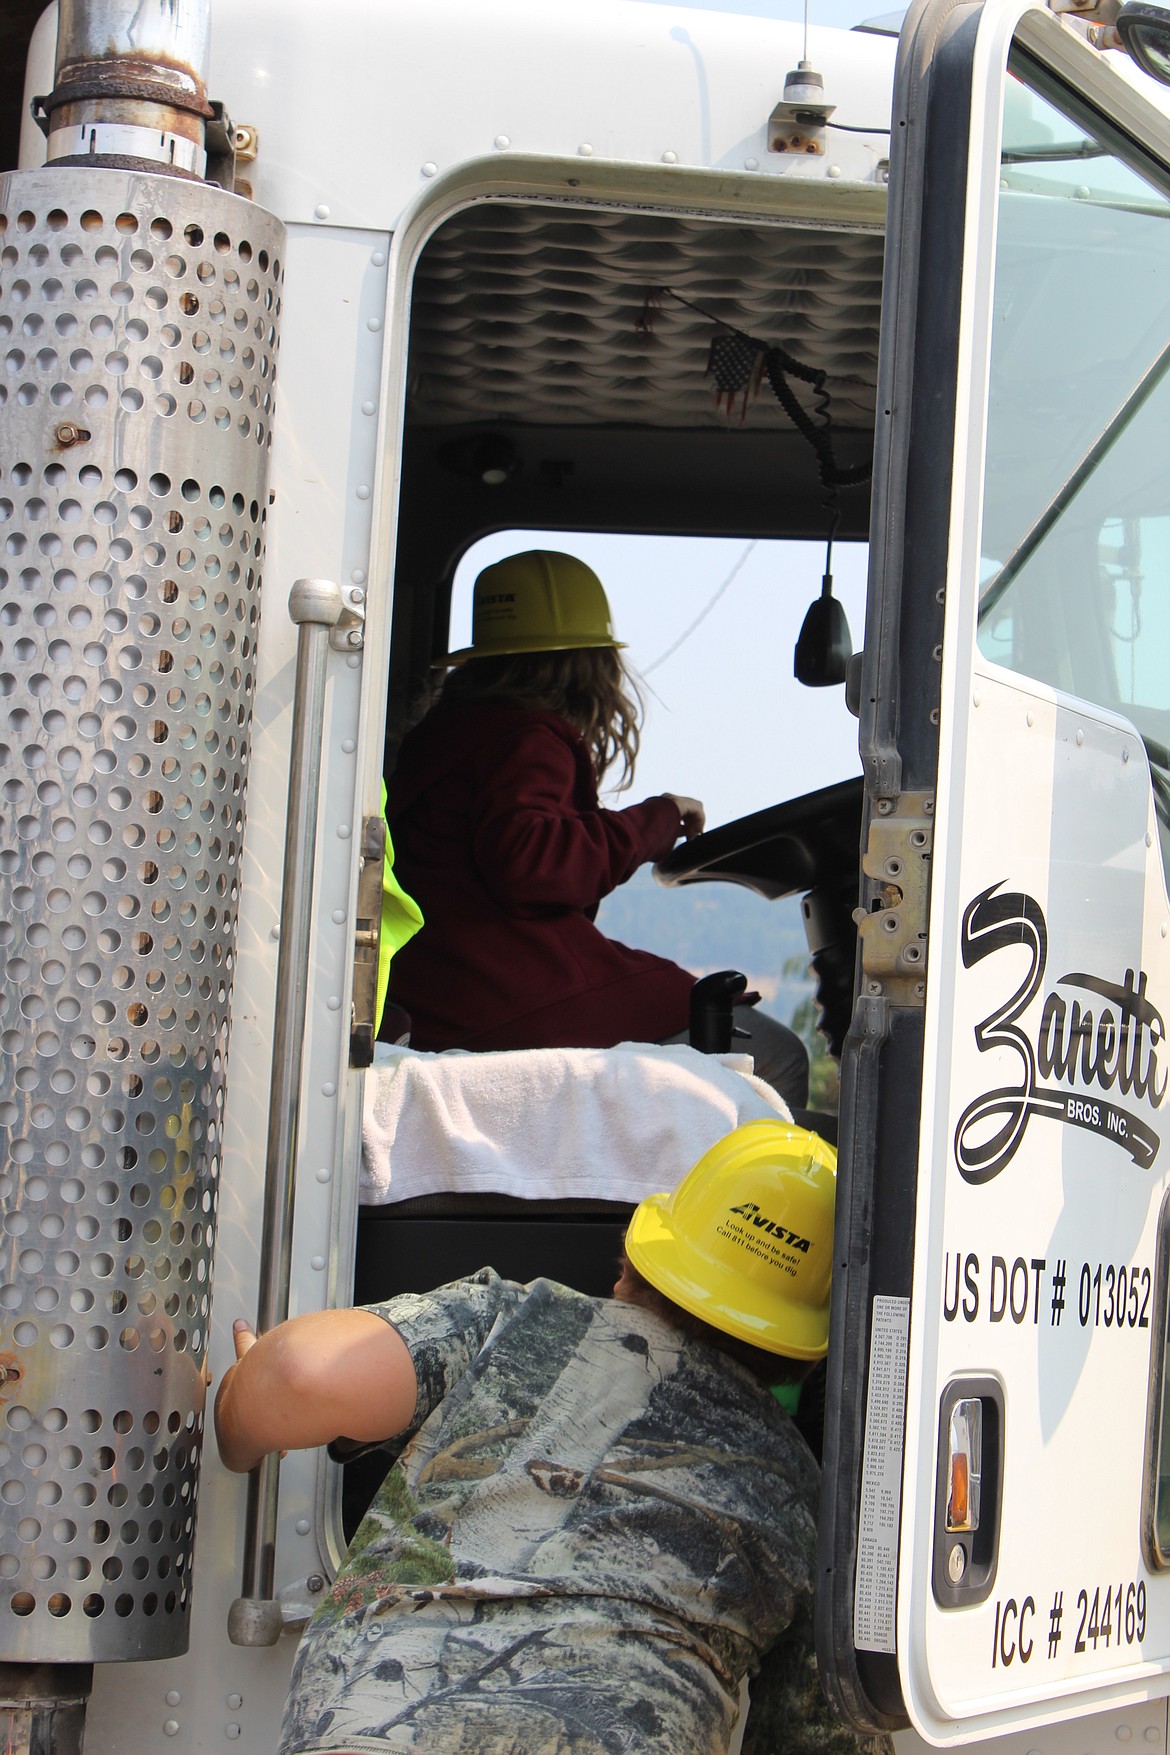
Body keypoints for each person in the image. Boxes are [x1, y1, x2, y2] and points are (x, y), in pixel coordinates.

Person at [215, 1121, 888, 1755]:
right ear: (806, 1358)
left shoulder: (523, 1322)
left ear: (633, 1266)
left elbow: (299, 1374)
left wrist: (237, 1421)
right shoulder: (806, 1504)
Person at [382, 549, 809, 1109]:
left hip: (449, 989)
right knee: (773, 1054)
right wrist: (656, 821)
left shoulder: (444, 737)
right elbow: (534, 863)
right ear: (589, 663)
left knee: (681, 996)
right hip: (501, 995)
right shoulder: (526, 740)